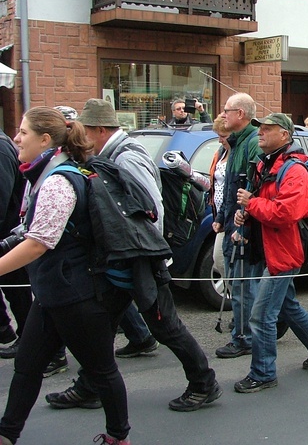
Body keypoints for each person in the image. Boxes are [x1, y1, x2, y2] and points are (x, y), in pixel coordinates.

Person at [46, 98, 221, 413]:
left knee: (166, 326)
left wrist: (150, 259)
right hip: (121, 260)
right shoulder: (111, 154)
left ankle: (204, 383)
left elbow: (152, 209)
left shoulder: (127, 158)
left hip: (141, 260)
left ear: (99, 130)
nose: (80, 139)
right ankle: (90, 387)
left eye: (83, 132)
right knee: (101, 326)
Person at [0, 107, 130, 445]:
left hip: (78, 298)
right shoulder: (43, 175)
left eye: (23, 132)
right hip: (53, 293)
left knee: (102, 372)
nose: (16, 138)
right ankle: (7, 434)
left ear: (45, 139)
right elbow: (29, 229)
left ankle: (119, 438)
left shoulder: (58, 180)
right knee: (27, 367)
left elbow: (38, 243)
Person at [233, 113, 308, 393]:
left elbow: (286, 212)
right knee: (287, 306)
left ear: (285, 135)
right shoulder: (264, 165)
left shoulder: (294, 171)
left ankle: (263, 373)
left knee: (262, 314)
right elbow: (260, 205)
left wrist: (252, 204)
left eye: (268, 129)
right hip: (266, 250)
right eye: (260, 129)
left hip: (284, 253)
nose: (261, 133)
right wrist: (244, 217)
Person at [213, 93, 262, 359]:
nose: (222, 115)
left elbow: (252, 187)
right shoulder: (235, 142)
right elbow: (229, 186)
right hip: (233, 222)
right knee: (241, 282)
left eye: (226, 110)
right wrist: (222, 216)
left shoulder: (252, 142)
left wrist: (241, 224)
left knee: (244, 285)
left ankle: (244, 337)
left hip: (244, 227)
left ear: (240, 114)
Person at [0, 128, 32, 362]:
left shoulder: (1, 148)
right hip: (10, 232)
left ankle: (26, 336)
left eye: (24, 132)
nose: (18, 139)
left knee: (17, 289)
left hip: (9, 233)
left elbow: (2, 195)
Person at [208, 115, 232, 279]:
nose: (219, 140)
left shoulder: (237, 154)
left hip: (231, 215)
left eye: (222, 136)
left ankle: (239, 297)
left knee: (220, 259)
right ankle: (236, 295)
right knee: (218, 260)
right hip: (220, 215)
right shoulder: (222, 152)